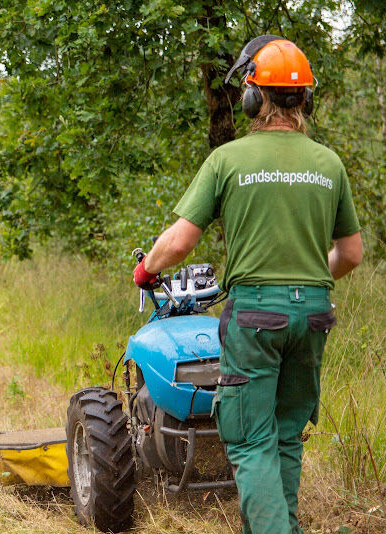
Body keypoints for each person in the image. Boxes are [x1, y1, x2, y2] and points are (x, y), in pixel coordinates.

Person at [132, 36, 363, 534]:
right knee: (284, 437)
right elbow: (351, 254)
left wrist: (147, 268)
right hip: (314, 313)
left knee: (250, 440)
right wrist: (306, 279)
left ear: (253, 97)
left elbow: (180, 242)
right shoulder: (329, 164)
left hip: (256, 317)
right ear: (305, 99)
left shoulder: (228, 160)